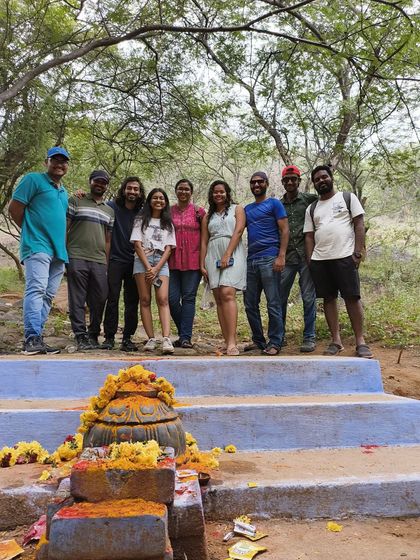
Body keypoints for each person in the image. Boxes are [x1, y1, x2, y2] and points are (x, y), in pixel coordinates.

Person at [303, 165, 373, 358]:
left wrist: (357, 252)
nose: (321, 181)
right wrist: (310, 260)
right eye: (317, 179)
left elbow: (359, 224)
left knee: (352, 297)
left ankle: (360, 341)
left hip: (345, 256)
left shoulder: (347, 198)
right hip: (320, 260)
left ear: (331, 178)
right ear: (314, 184)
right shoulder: (312, 208)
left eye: (324, 177)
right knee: (328, 299)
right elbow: (309, 235)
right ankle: (336, 341)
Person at [9, 146, 70, 355]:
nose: (59, 164)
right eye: (55, 160)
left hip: (58, 252)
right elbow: (14, 209)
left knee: (48, 295)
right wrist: (30, 232)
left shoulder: (63, 192)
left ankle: (38, 338)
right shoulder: (33, 180)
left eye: (63, 161)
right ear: (47, 162)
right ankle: (31, 338)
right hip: (37, 246)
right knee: (36, 289)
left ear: (67, 166)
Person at [66, 170, 115, 351]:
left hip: (99, 260)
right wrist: (64, 255)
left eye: (103, 182)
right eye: (97, 181)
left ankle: (93, 333)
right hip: (76, 256)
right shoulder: (75, 201)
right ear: (90, 181)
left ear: (106, 186)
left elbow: (108, 239)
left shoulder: (109, 210)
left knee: (100, 297)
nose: (100, 185)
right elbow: (66, 227)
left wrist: (106, 262)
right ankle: (80, 336)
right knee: (77, 298)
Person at [243, 171, 289, 355]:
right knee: (249, 304)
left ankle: (276, 341)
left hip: (270, 258)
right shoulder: (247, 209)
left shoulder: (274, 204)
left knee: (273, 302)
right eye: (253, 182)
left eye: (260, 182)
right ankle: (259, 340)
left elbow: (285, 230)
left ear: (267, 183)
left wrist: (281, 255)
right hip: (251, 260)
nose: (256, 185)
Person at [200, 180, 246, 356]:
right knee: (219, 297)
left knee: (228, 293)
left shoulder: (237, 209)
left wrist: (227, 253)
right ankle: (226, 341)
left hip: (232, 250)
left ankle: (233, 342)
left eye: (222, 192)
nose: (218, 195)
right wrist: (201, 263)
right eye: (215, 192)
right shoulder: (207, 216)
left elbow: (239, 230)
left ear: (227, 193)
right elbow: (204, 240)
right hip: (212, 253)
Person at [101, 177, 146, 351]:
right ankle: (109, 337)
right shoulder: (112, 207)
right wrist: (81, 195)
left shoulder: (143, 213)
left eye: (136, 189)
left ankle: (127, 338)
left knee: (132, 301)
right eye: (129, 188)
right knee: (112, 299)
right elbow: (95, 204)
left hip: (135, 261)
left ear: (140, 192)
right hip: (115, 260)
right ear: (124, 190)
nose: (132, 192)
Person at [130, 188, 176, 354]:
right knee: (145, 299)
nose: (159, 201)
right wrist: (148, 267)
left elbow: (169, 248)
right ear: (150, 201)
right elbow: (137, 244)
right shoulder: (140, 220)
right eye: (155, 198)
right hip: (142, 261)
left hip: (161, 262)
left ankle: (166, 339)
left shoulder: (168, 223)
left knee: (163, 299)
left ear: (165, 202)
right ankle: (150, 338)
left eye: (162, 198)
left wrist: (156, 268)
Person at [280, 165, 318, 352]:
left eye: (293, 179)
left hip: (307, 256)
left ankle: (309, 337)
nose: (290, 182)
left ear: (299, 181)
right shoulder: (279, 205)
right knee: (280, 297)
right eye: (286, 180)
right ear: (282, 182)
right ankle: (280, 336)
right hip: (287, 257)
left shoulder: (310, 200)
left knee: (309, 297)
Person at [169, 179, 206, 348]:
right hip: (172, 261)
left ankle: (185, 338)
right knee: (171, 299)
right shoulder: (168, 212)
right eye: (180, 189)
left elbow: (206, 237)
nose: (183, 192)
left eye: (186, 189)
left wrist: (203, 263)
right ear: (176, 191)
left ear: (191, 192)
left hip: (193, 261)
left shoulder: (199, 212)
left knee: (189, 299)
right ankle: (184, 332)